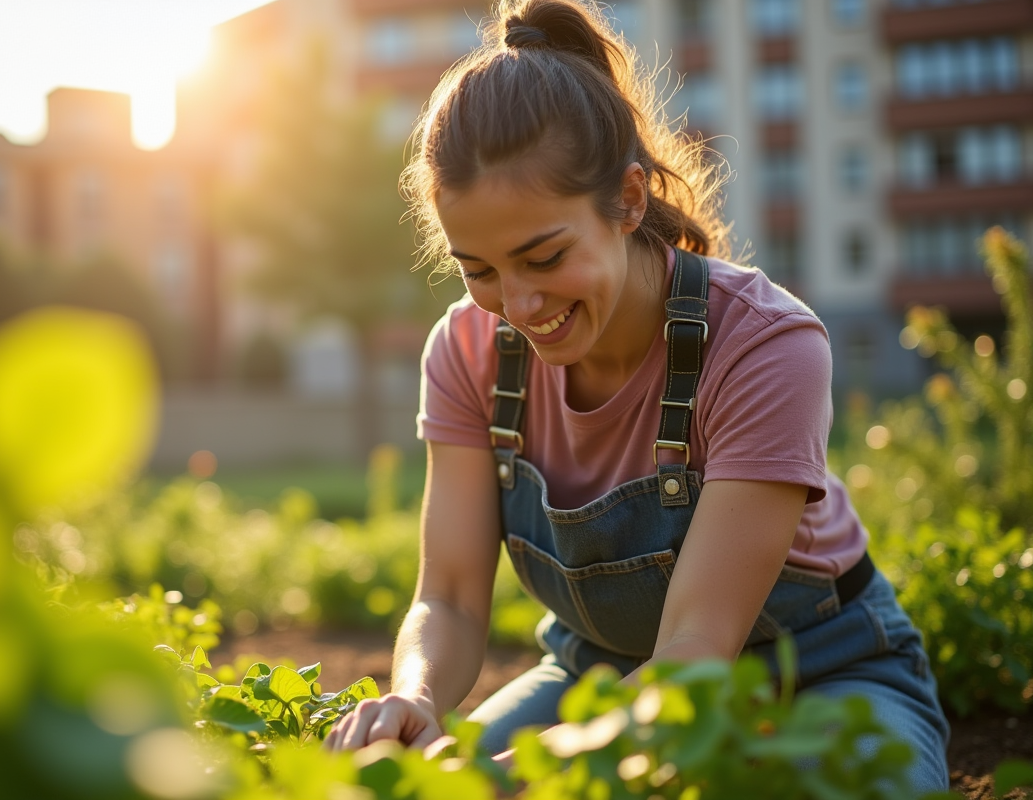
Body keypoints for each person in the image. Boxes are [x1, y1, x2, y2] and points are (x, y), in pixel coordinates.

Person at [323, 0, 950, 791]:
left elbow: (694, 647)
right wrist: (413, 692)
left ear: (626, 201)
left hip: (820, 678)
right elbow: (446, 596)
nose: (516, 307)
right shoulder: (467, 350)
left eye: (543, 257)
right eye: (478, 269)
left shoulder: (763, 344)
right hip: (598, 678)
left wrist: (533, 774)